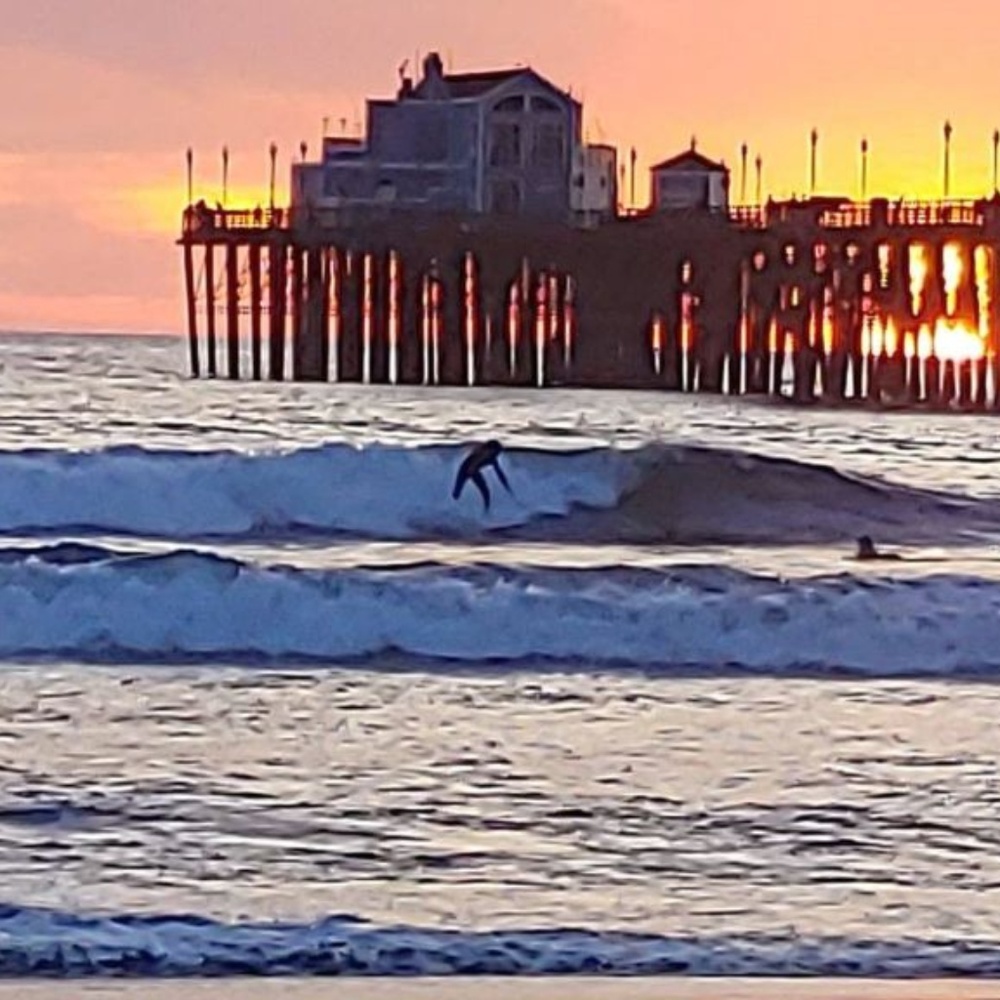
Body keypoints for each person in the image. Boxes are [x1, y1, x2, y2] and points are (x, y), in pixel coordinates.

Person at [452, 440, 512, 512]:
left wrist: (507, 487)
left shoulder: (492, 458)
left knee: (486, 492)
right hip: (465, 469)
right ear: (491, 450)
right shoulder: (485, 454)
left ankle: (486, 511)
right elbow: (473, 465)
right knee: (456, 493)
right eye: (497, 451)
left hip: (474, 471)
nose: (498, 454)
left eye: (498, 452)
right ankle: (452, 509)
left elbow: (500, 474)